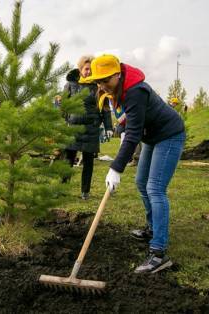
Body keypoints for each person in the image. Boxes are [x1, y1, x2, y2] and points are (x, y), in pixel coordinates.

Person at [84, 54, 185, 273]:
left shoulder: (135, 91)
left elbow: (133, 134)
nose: (102, 85)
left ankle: (159, 253)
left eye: (106, 80)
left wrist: (115, 168)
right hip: (152, 137)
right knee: (141, 182)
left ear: (118, 75)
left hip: (169, 135)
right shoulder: (115, 91)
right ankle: (152, 228)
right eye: (98, 81)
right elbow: (127, 122)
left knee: (155, 188)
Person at [63, 55, 113, 200]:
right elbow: (64, 106)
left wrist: (109, 126)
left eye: (91, 69)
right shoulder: (71, 84)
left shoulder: (99, 86)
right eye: (86, 69)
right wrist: (64, 123)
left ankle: (85, 191)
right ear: (80, 69)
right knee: (68, 160)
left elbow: (105, 108)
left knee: (88, 162)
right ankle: (62, 188)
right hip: (73, 128)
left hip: (91, 128)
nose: (89, 72)